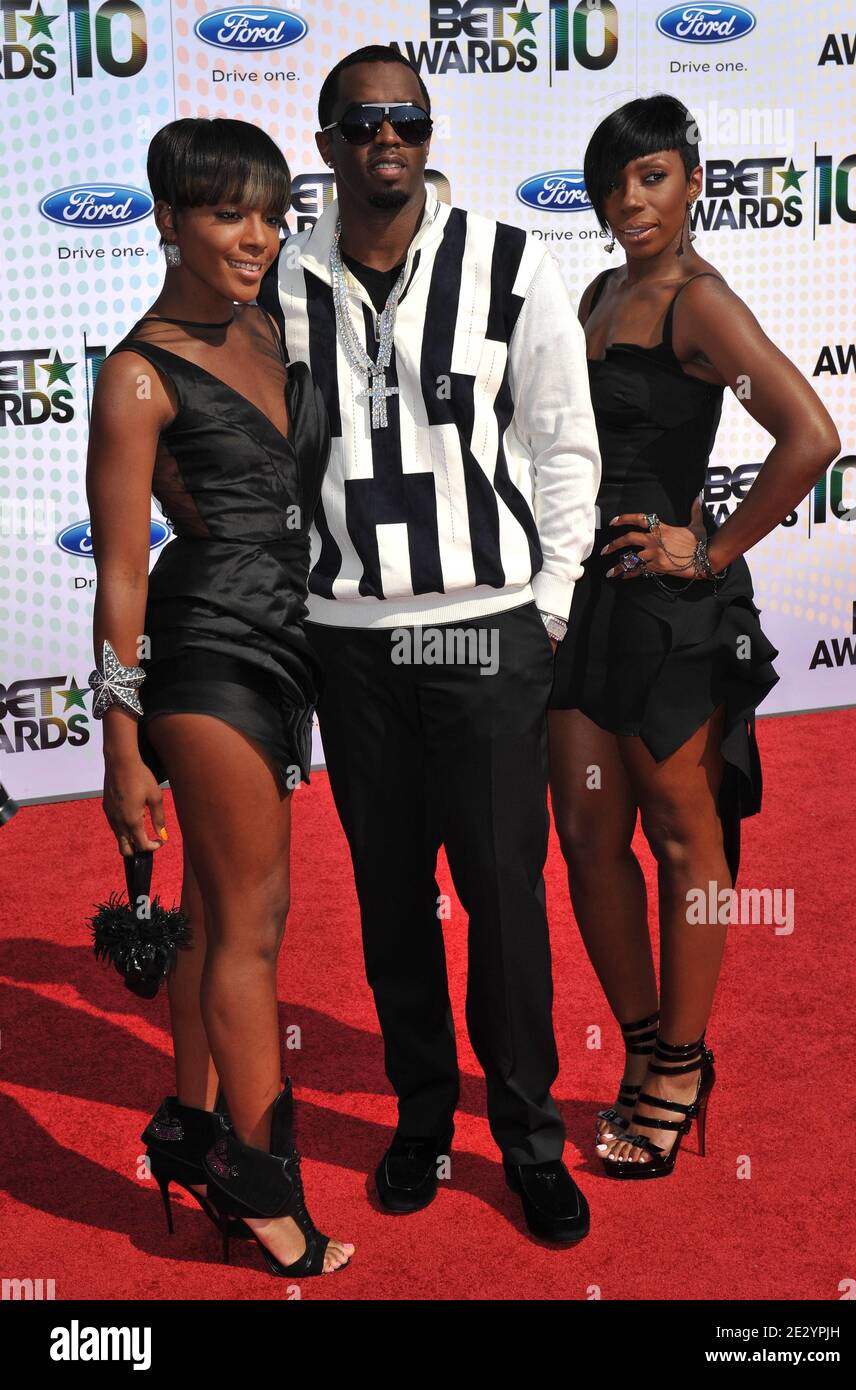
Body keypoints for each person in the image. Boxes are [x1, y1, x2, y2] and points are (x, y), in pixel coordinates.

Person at [260, 45, 600, 1243]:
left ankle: (527, 1134)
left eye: (404, 118)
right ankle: (420, 1116)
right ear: (325, 143)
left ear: (429, 128)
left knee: (505, 897)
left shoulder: (509, 261)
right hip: (348, 641)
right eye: (359, 124)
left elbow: (563, 442)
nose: (383, 140)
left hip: (483, 633)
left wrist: (547, 603)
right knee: (390, 895)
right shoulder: (282, 278)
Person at [548, 94, 842, 1176]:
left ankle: (680, 1063)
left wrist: (707, 552)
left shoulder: (695, 301)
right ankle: (637, 1045)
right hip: (581, 602)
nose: (630, 199)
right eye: (614, 180)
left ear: (690, 185)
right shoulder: (594, 292)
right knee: (585, 840)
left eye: (653, 177)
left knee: (683, 842)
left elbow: (809, 434)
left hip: (666, 613)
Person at [86, 116, 354, 1274]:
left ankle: (191, 1132)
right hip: (206, 657)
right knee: (252, 927)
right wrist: (118, 745)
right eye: (225, 212)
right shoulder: (137, 373)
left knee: (211, 917)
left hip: (283, 647)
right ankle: (265, 1191)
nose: (256, 235)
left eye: (266, 211)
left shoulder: (264, 322)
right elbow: (120, 574)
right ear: (166, 220)